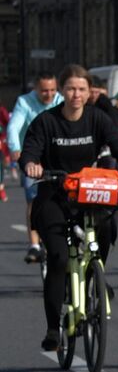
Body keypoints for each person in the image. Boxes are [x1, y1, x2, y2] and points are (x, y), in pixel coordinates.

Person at [20, 65, 118, 351]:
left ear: (89, 92)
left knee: (107, 226)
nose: (76, 94)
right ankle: (54, 328)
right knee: (58, 257)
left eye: (81, 89)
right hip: (54, 194)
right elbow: (31, 149)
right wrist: (31, 163)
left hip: (88, 192)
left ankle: (95, 275)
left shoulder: (97, 119)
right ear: (62, 92)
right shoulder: (46, 121)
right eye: (70, 89)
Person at [9, 72, 63, 263]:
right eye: (44, 91)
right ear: (36, 90)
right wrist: (16, 149)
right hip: (33, 158)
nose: (49, 95)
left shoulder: (61, 100)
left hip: (59, 155)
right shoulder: (25, 102)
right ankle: (34, 244)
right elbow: (14, 127)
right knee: (34, 199)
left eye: (52, 90)